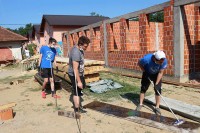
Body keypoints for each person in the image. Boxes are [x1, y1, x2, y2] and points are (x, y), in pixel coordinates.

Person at [136, 50, 168, 115]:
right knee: (143, 88)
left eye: (162, 62)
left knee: (158, 90)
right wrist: (144, 70)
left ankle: (157, 107)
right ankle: (141, 104)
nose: (161, 63)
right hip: (147, 73)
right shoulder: (146, 59)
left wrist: (156, 84)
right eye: (159, 62)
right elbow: (139, 62)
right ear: (154, 58)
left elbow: (161, 72)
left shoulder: (164, 61)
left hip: (156, 74)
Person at [68, 36, 90, 115]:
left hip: (79, 73)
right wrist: (79, 81)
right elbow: (75, 69)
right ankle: (77, 109)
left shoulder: (79, 49)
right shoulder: (76, 52)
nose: (86, 48)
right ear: (80, 44)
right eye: (85, 46)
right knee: (77, 91)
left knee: (80, 90)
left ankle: (78, 106)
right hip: (74, 74)